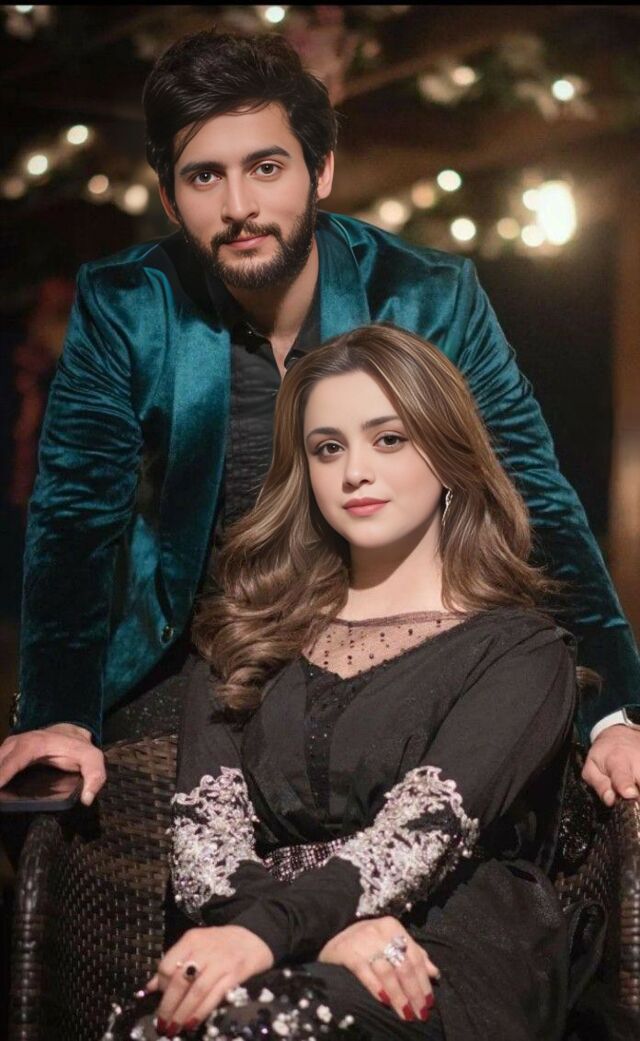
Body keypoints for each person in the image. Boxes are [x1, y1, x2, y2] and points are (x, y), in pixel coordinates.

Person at [0, 30, 638, 812]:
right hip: (200, 663)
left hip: (400, 652)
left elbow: (531, 489)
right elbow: (74, 514)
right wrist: (58, 712)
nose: (239, 206)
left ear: (320, 170)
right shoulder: (127, 303)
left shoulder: (427, 293)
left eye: (267, 167)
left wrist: (614, 711)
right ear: (169, 198)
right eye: (205, 176)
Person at [103, 325, 597, 1041]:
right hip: (258, 942)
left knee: (257, 1023)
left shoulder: (522, 652)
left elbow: (418, 836)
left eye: (388, 439)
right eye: (327, 448)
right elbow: (204, 847)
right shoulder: (246, 634)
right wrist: (305, 931)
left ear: (448, 454)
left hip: (436, 956)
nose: (354, 471)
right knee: (152, 1025)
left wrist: (272, 933)